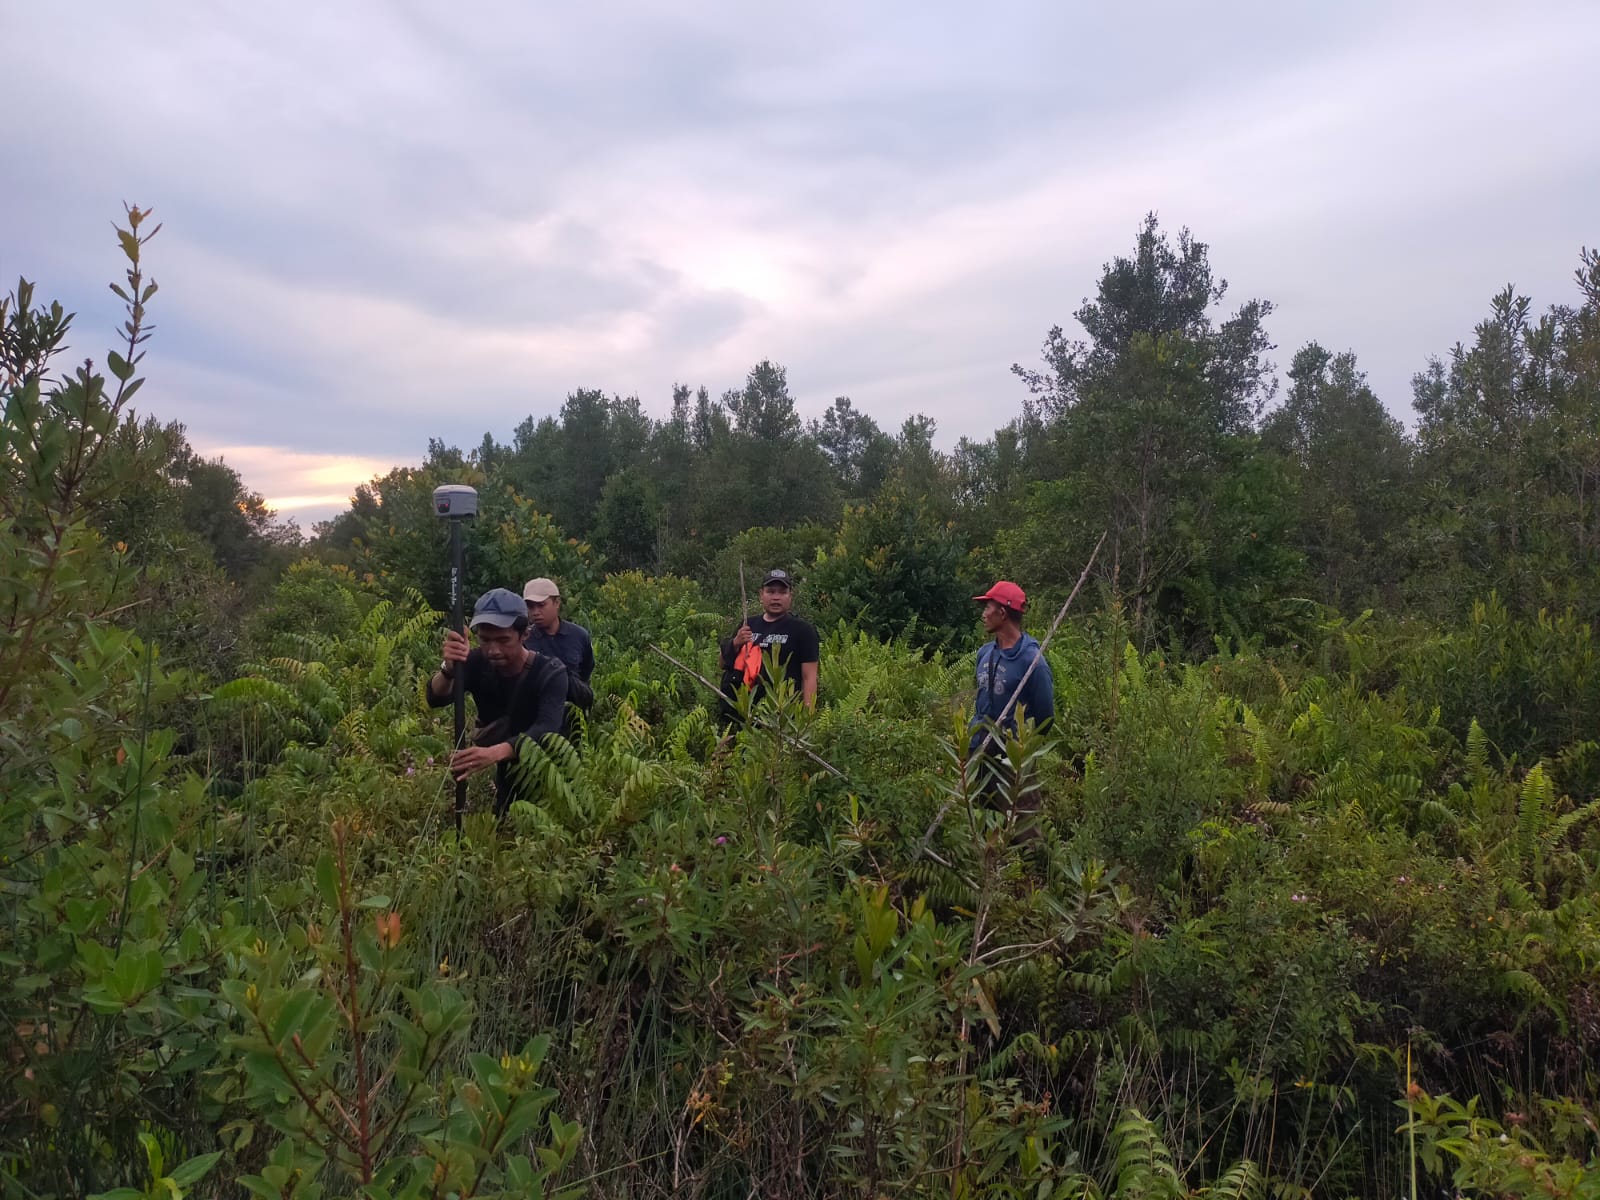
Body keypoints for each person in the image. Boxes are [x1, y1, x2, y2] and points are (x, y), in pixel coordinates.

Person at [427, 587, 569, 816]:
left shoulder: (550, 673)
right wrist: (449, 669)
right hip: (509, 769)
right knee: (506, 822)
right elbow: (436, 698)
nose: (493, 650)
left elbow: (546, 730)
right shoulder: (476, 661)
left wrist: (494, 752)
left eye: (504, 640)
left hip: (553, 769)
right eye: (485, 640)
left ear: (525, 635)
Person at [969, 580, 1054, 818]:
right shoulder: (984, 654)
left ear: (1003, 613)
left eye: (988, 607)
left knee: (1022, 830)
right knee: (983, 825)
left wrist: (1021, 749)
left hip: (1014, 762)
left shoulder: (1032, 662)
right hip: (981, 753)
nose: (984, 614)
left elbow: (1046, 717)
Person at [717, 568, 819, 726]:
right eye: (770, 591)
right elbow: (722, 664)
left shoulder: (803, 630)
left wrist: (807, 721)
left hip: (781, 716)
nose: (776, 597)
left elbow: (809, 677)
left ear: (790, 595)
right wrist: (735, 642)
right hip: (741, 713)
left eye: (782, 592)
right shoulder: (748, 624)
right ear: (761, 594)